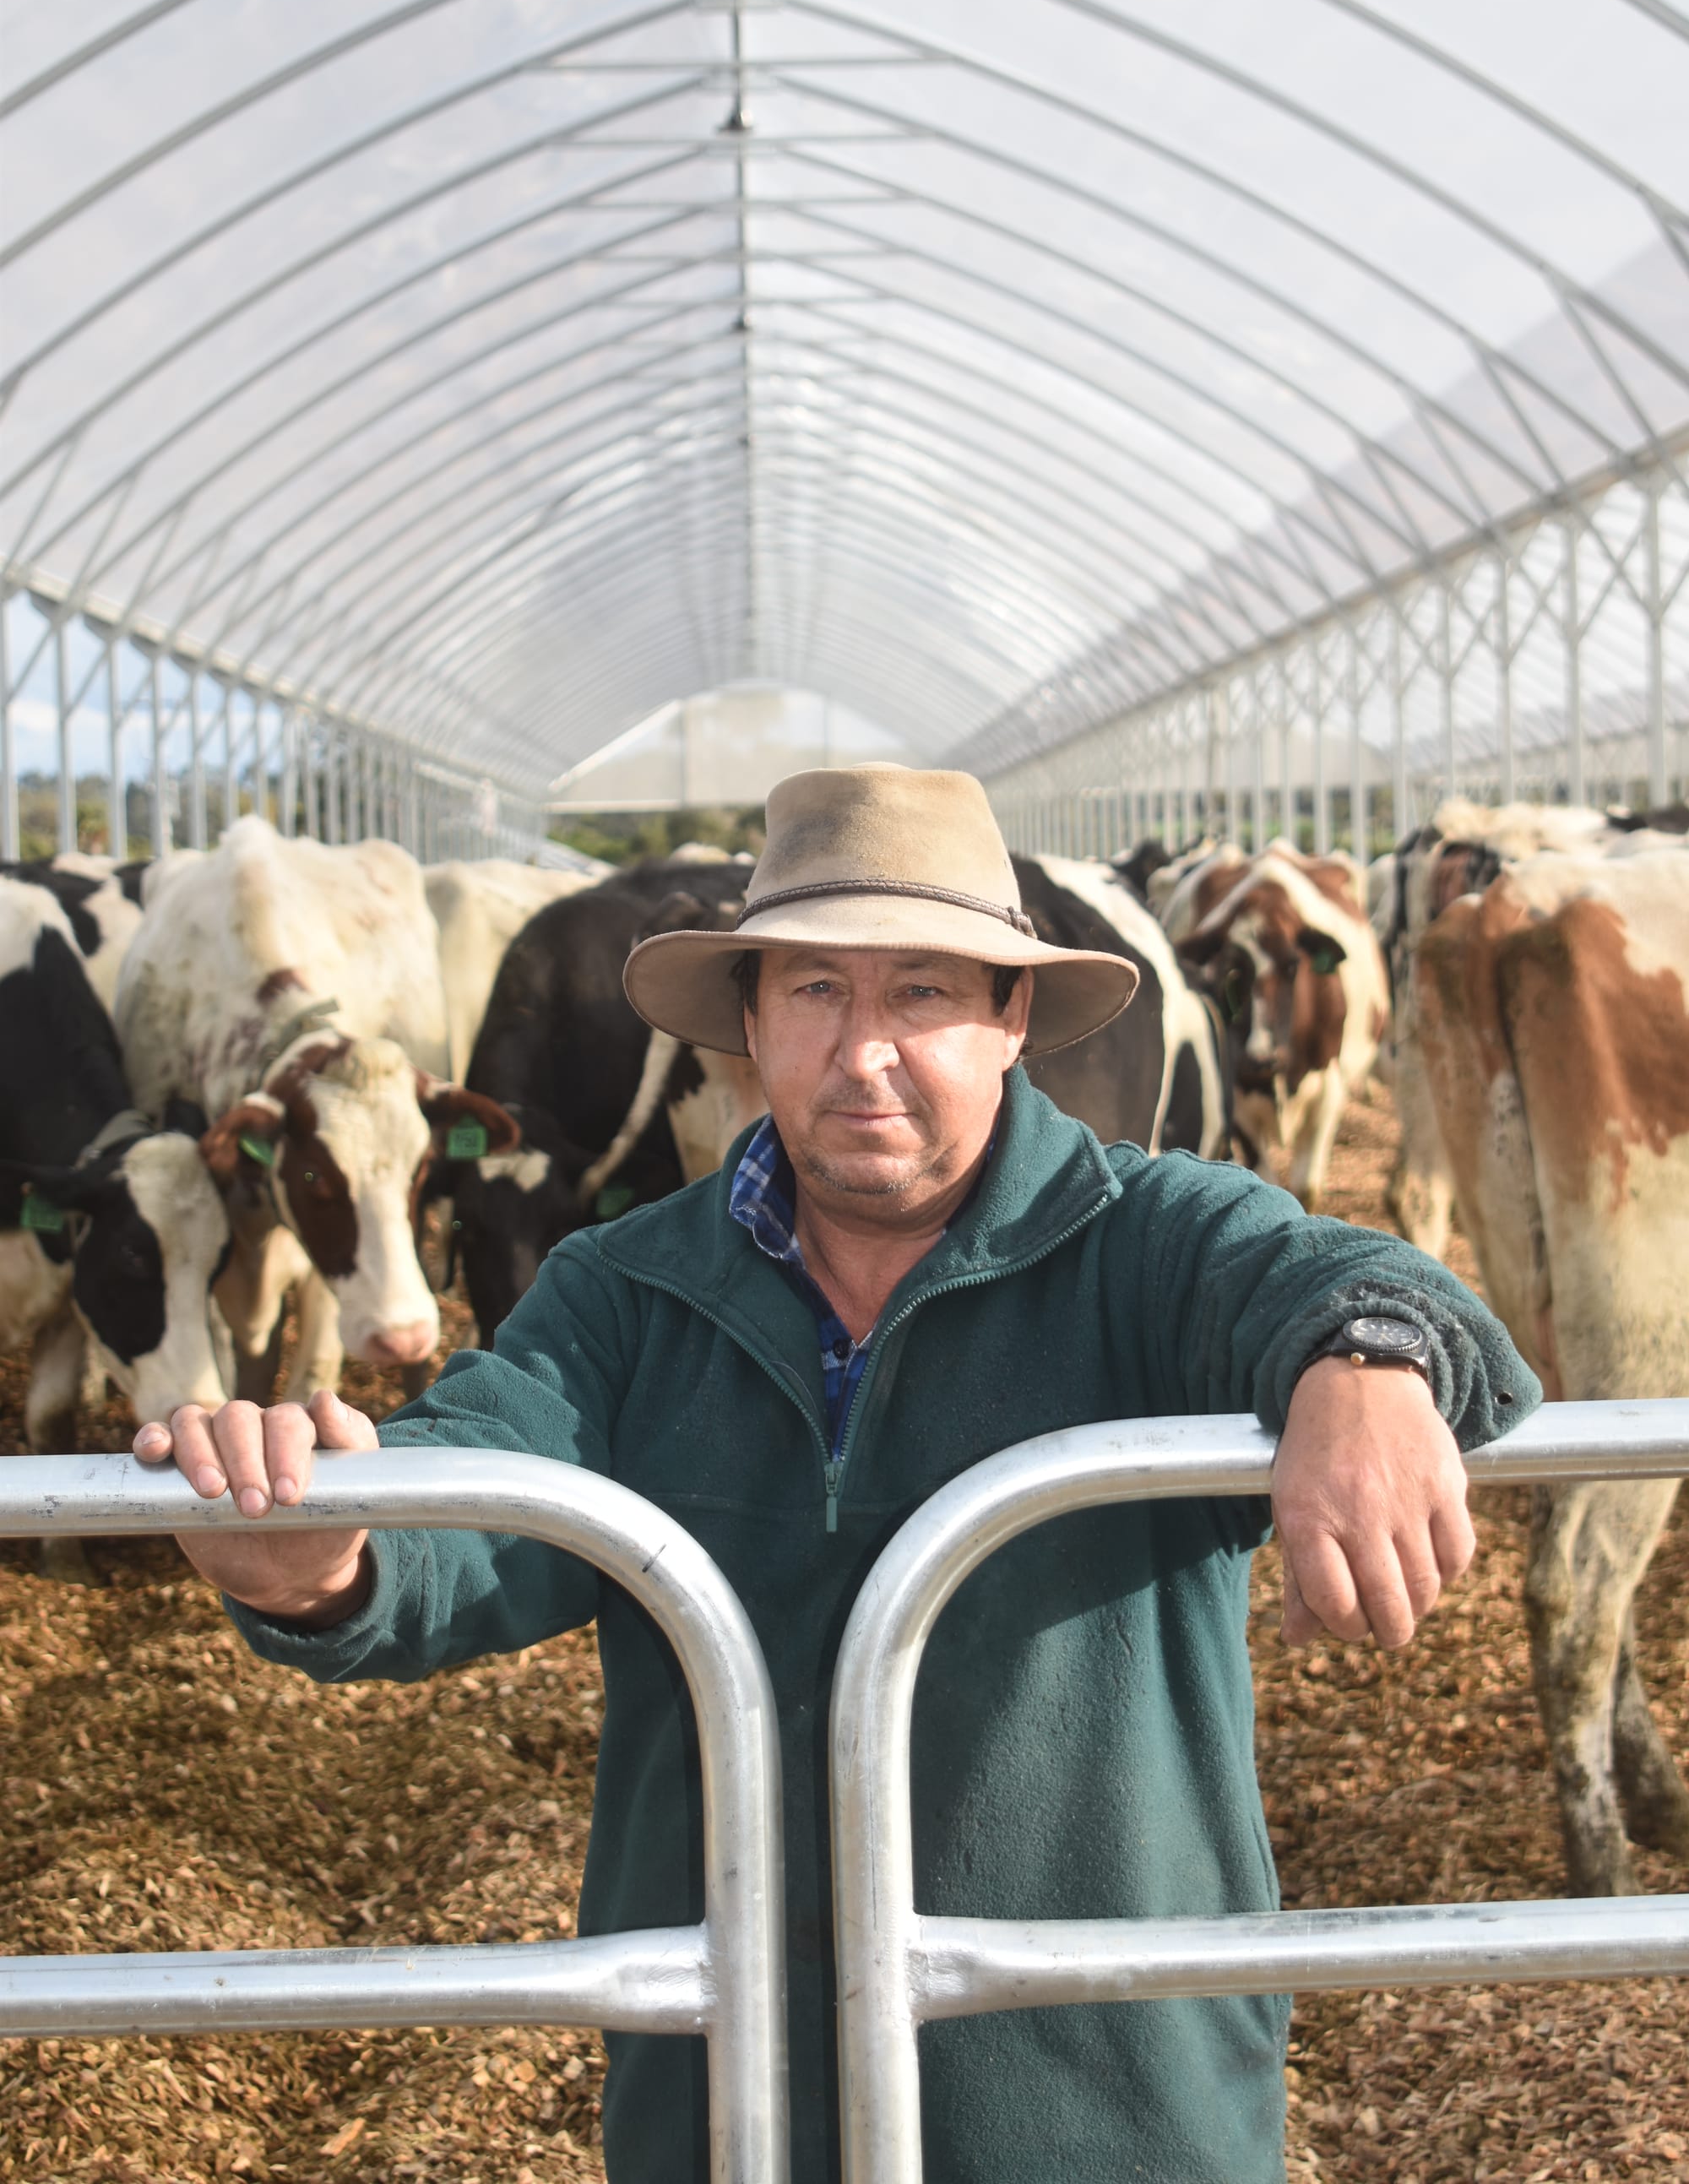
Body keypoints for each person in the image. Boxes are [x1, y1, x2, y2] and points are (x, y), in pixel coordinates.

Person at [137, 766, 1538, 2184]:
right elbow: (481, 1482)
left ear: (1012, 1019)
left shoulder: (1149, 1239)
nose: (864, 1052)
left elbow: (1360, 1279)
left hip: (1112, 2114)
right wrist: (331, 1547)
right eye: (815, 991)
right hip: (736, 2106)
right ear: (749, 1022)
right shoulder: (627, 1292)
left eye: (922, 992)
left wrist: (1368, 1361)